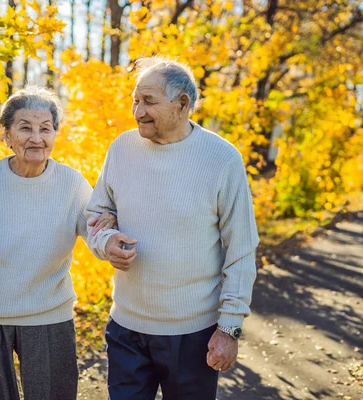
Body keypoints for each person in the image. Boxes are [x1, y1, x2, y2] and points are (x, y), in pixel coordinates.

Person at [86, 57, 259, 400]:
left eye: (149, 101)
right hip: (126, 328)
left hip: (193, 335)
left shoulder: (221, 159)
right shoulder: (121, 148)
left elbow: (241, 249)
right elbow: (96, 214)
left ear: (183, 104)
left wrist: (229, 328)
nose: (137, 111)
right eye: (135, 100)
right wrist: (105, 242)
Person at [0, 86, 116, 400]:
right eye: (25, 128)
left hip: (49, 318)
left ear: (54, 134)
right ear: (6, 134)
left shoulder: (72, 183)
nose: (37, 137)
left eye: (45, 128)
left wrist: (113, 243)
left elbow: (96, 233)